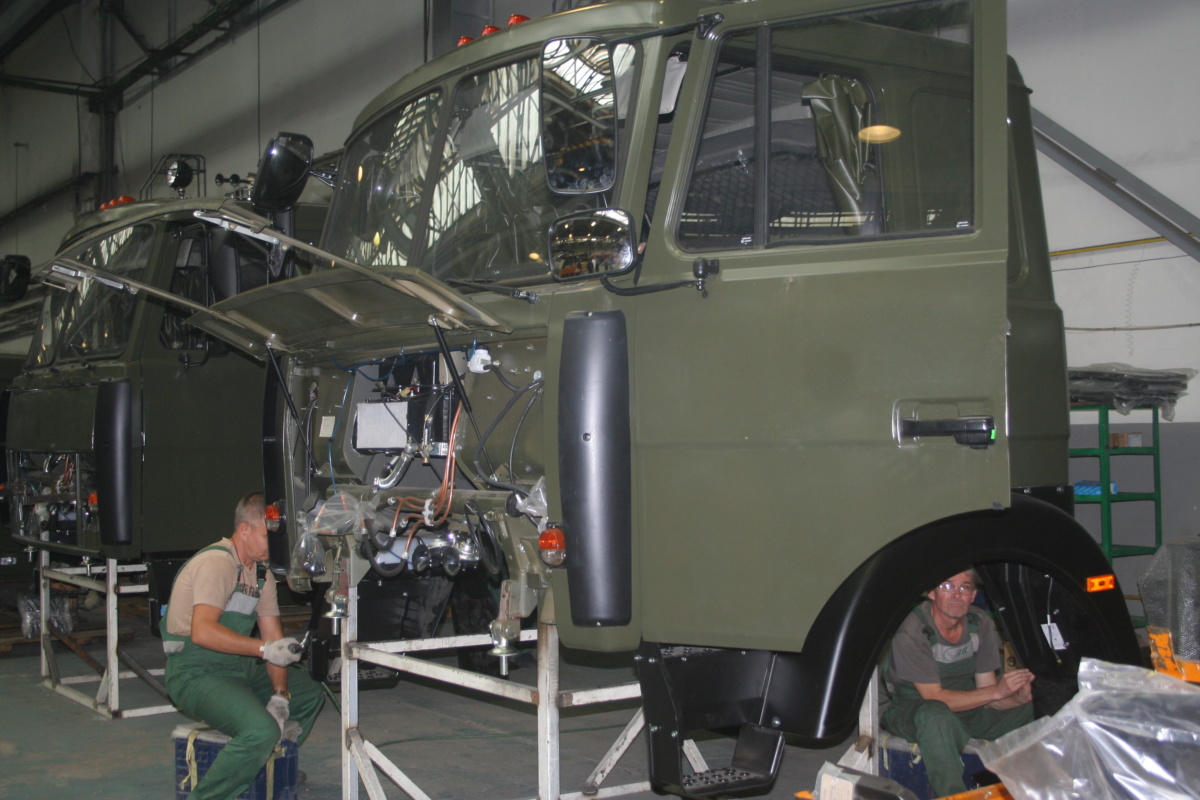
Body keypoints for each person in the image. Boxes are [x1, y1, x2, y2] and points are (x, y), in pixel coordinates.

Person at [162, 492, 324, 800]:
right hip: (195, 671)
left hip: (236, 664)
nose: (272, 547)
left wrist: (280, 695)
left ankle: (267, 763)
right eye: (266, 537)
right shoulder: (217, 563)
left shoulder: (262, 574)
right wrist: (264, 650)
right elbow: (202, 632)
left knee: (308, 694)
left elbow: (274, 641)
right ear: (244, 530)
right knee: (260, 731)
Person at [882, 568, 1034, 797]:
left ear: (973, 596)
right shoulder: (912, 629)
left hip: (969, 707)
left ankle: (1037, 789)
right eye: (947, 586)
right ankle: (953, 795)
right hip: (914, 710)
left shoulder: (980, 623)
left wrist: (1016, 699)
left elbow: (987, 693)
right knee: (935, 715)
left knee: (1040, 705)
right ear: (931, 593)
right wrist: (997, 691)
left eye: (965, 588)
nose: (956, 594)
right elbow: (935, 697)